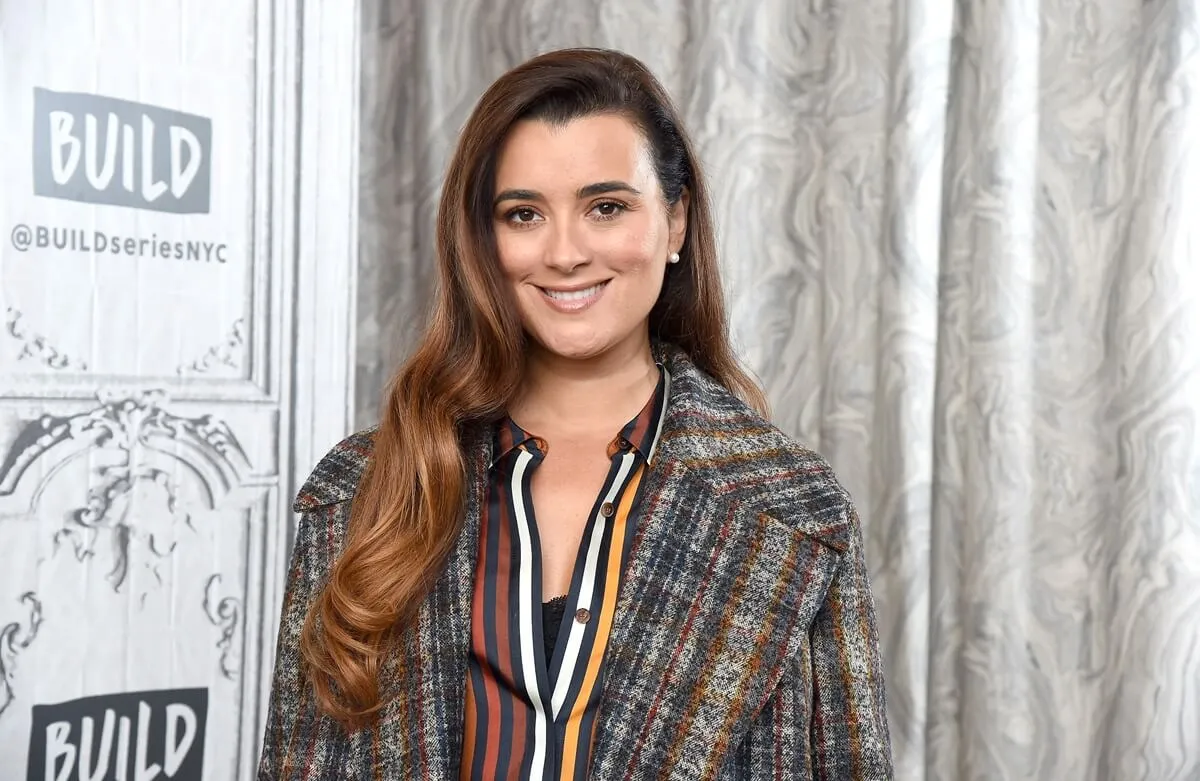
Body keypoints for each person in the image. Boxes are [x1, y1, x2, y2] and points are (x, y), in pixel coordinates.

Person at [257, 47, 893, 780]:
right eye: (523, 214)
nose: (564, 253)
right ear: (483, 240)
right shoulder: (364, 490)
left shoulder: (796, 508)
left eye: (607, 207)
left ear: (676, 222)